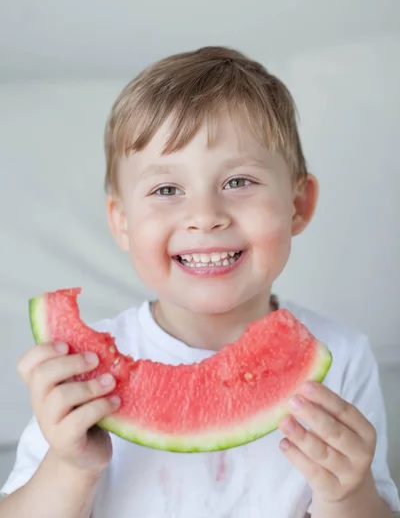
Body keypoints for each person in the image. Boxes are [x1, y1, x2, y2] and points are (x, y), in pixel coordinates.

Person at [1, 46, 399, 518]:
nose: (205, 217)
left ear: (299, 205)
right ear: (122, 222)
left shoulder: (342, 359)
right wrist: (70, 465)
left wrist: (346, 495)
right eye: (167, 190)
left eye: (238, 182)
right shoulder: (83, 372)